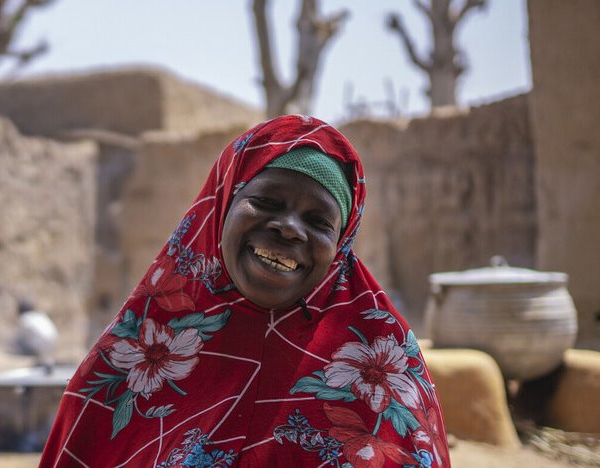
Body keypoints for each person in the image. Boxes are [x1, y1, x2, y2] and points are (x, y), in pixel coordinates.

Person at [40, 115, 448, 467]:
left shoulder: (385, 378)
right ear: (221, 206)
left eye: (319, 221)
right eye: (267, 201)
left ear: (340, 246)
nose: (289, 227)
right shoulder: (131, 366)